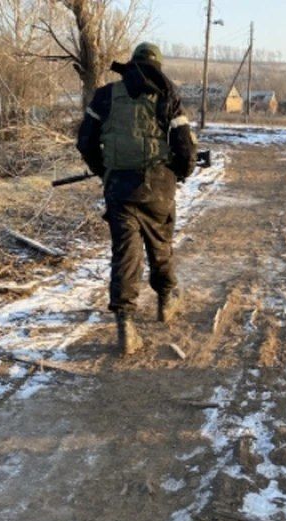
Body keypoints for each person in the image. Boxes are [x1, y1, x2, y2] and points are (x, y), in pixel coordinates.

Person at [76, 42, 197, 355]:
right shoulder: (167, 96)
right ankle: (166, 301)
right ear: (158, 66)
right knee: (160, 245)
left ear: (131, 64)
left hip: (119, 188)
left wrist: (105, 172)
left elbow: (85, 141)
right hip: (158, 186)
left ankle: (126, 328)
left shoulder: (105, 96)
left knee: (126, 254)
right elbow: (186, 150)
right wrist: (179, 174)